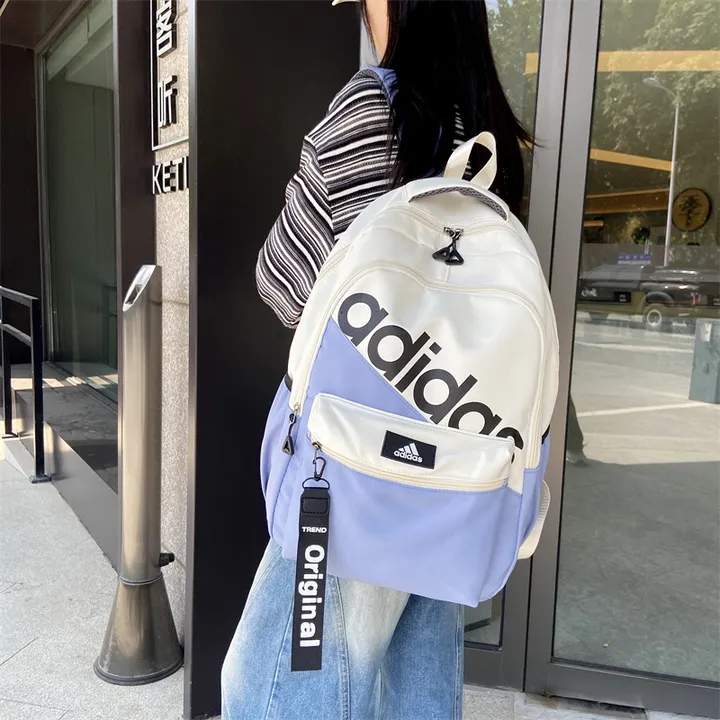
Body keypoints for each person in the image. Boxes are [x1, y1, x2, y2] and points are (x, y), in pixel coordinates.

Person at [221, 1, 532, 717]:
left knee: (269, 690)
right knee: (413, 681)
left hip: (359, 460)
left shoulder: (372, 108)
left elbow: (283, 282)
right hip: (458, 458)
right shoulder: (487, 135)